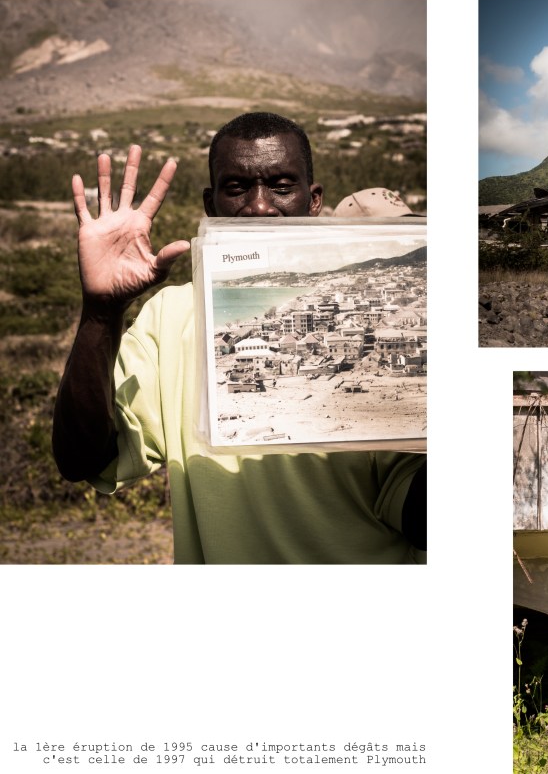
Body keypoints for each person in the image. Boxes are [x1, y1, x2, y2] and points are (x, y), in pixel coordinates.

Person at [52, 112, 426, 564]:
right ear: (211, 205)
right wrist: (100, 312)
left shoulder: (377, 318)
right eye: (237, 188)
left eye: (282, 185)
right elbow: (82, 460)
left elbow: (420, 517)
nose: (260, 206)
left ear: (314, 200)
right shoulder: (169, 317)